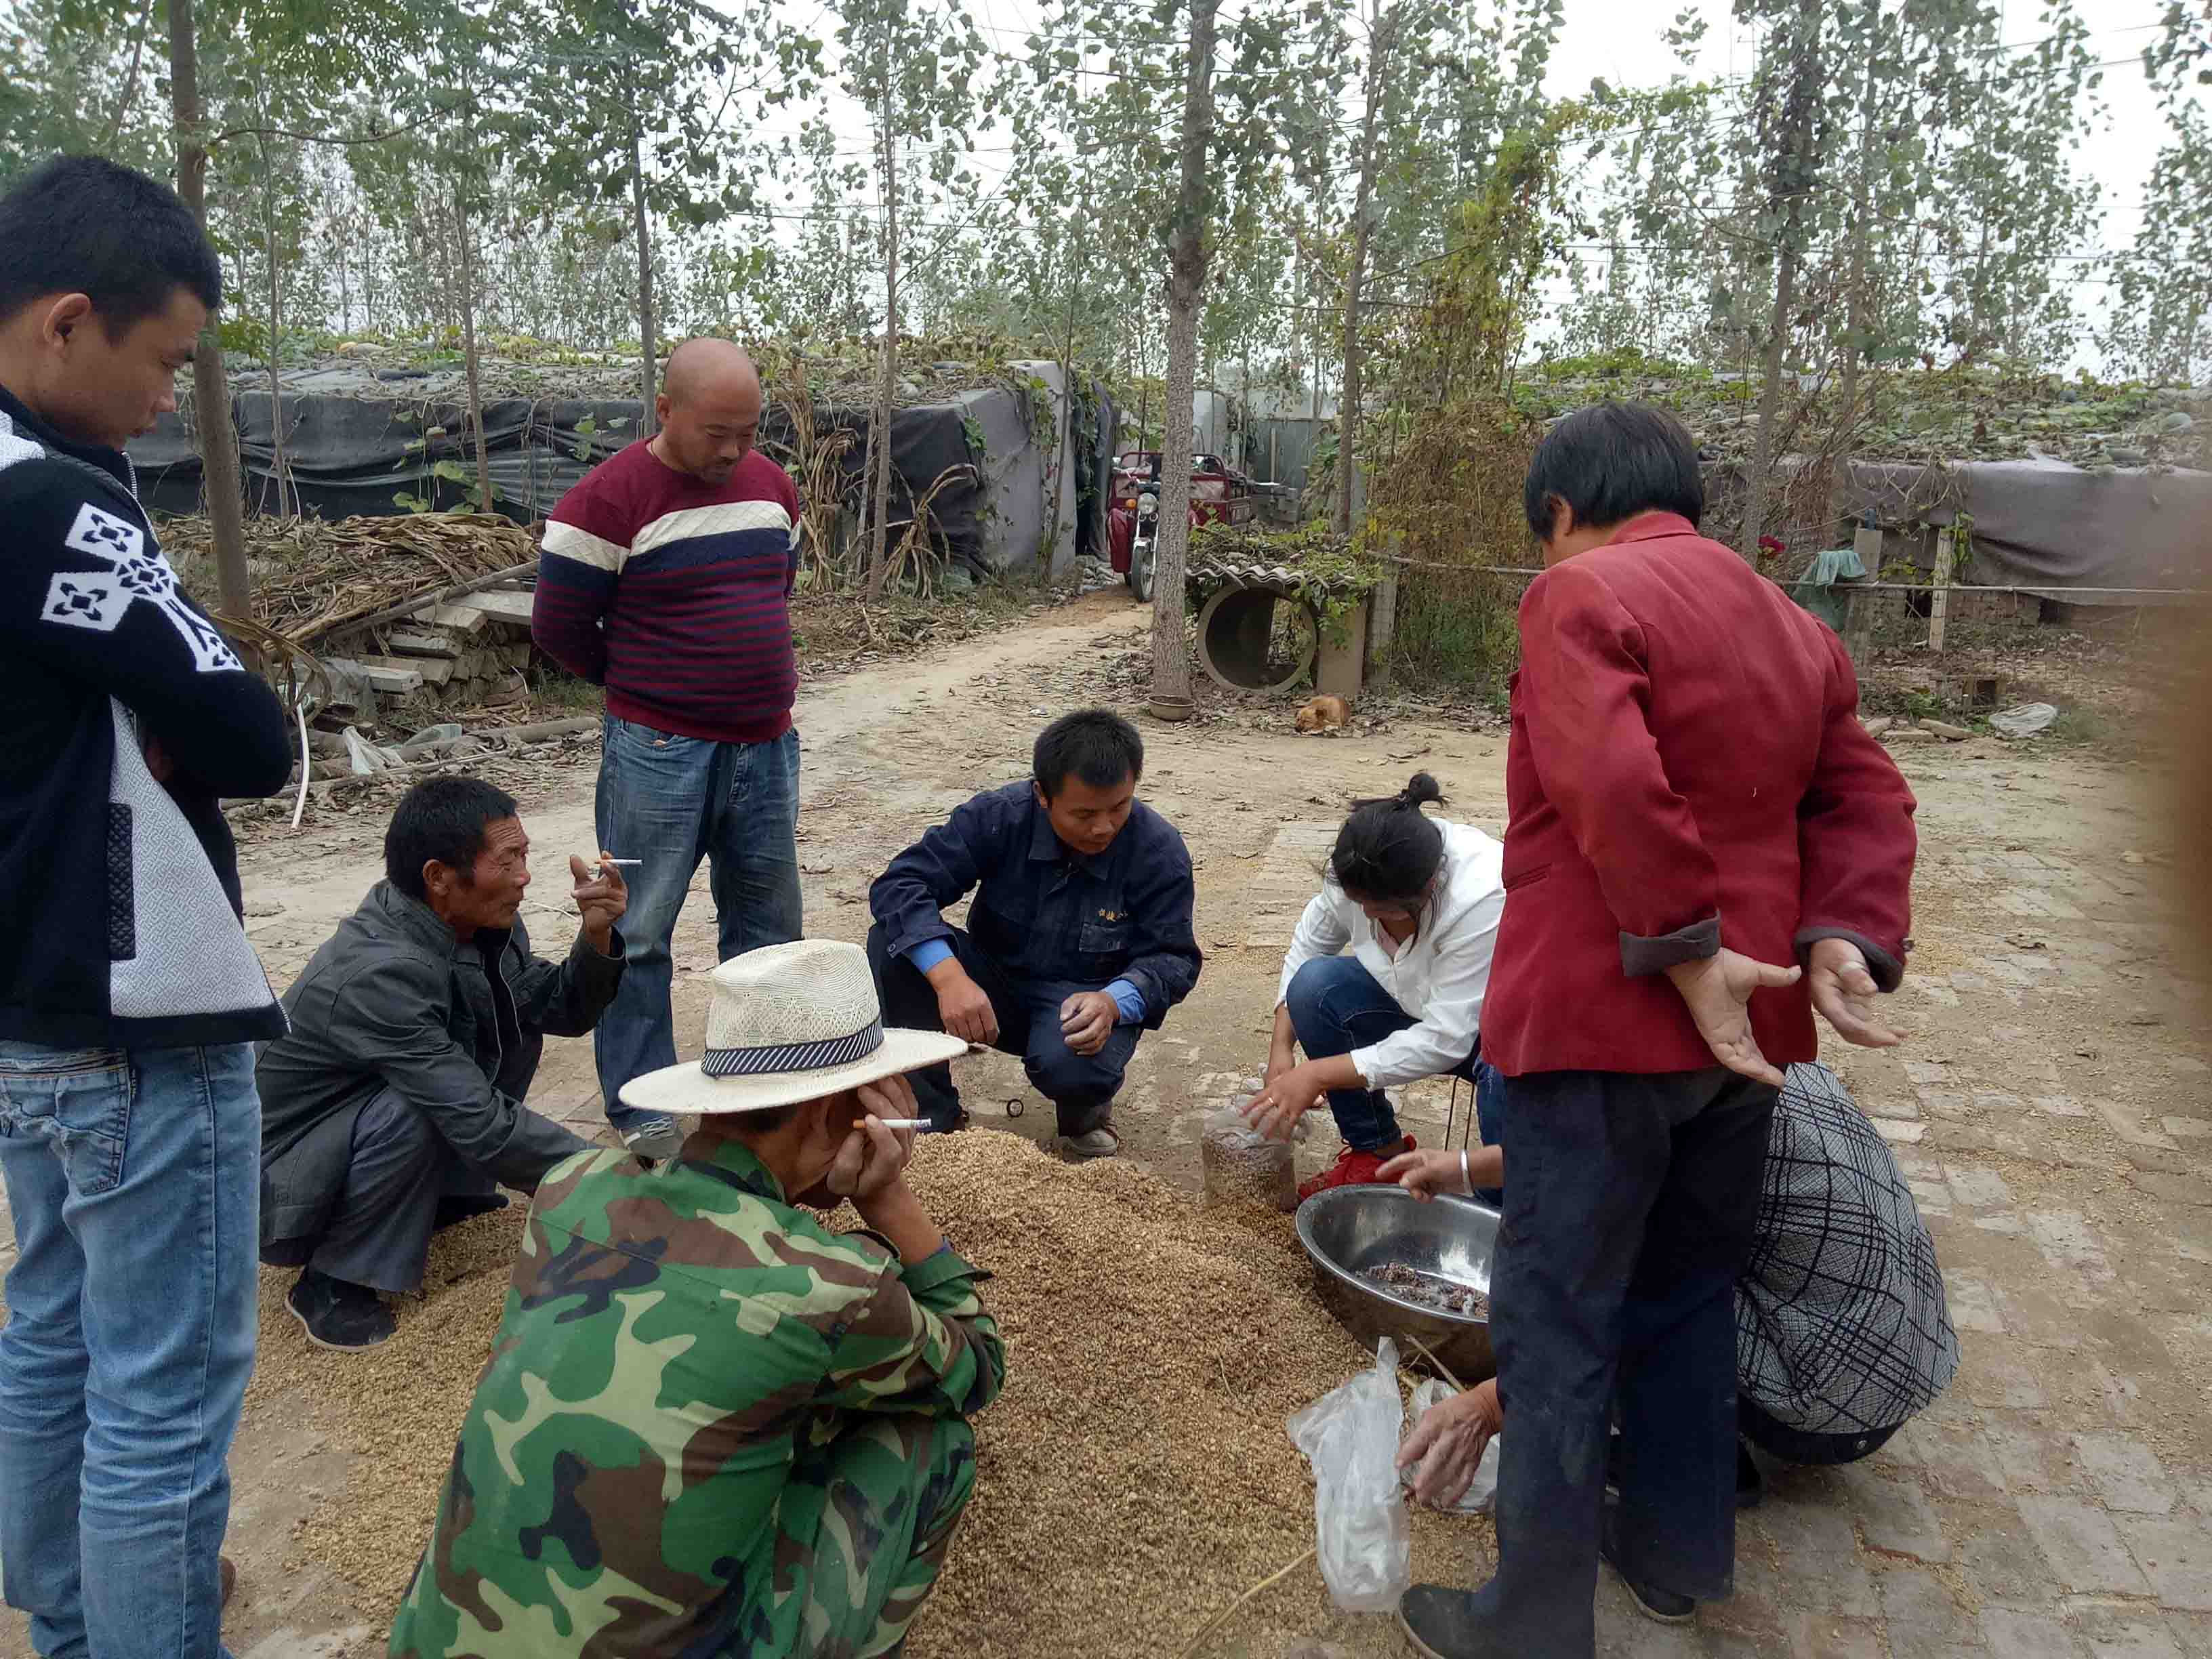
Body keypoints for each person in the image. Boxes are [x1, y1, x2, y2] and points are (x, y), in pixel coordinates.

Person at [1395, 403, 1919, 1659]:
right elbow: (1863, 792)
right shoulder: (1792, 624)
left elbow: (1609, 780)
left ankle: (1527, 1624)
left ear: (1563, 513)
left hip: (1603, 1022)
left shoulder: (1578, 596)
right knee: (1683, 1290)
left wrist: (1684, 948)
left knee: (1558, 1320)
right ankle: (1676, 1550)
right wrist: (1839, 931)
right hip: (1746, 1047)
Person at [388, 939, 1004, 1659]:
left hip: (434, 1643)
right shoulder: (828, 1286)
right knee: (936, 1440)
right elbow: (978, 1367)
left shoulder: (570, 1190)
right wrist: (890, 1199)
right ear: (841, 1111)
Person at [0, 156, 293, 1659]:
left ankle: (66, 1633)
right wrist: (190, 715)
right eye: (164, 362)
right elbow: (252, 735)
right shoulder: (55, 508)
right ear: (66, 323)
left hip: (24, 1018)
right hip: (134, 1013)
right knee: (162, 1399)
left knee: (52, 1339)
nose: (171, 400)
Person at [1387, 1061, 1959, 1523]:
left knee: (1645, 1296)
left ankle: (1696, 1476)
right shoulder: (1735, 1056)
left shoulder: (1697, 1140)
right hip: (1904, 1349)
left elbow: (1609, 1305)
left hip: (1834, 1410)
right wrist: (1463, 1169)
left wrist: (1489, 1404)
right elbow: (1602, 1144)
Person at [532, 337, 804, 1163]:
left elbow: (776, 586)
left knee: (768, 929)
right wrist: (651, 689)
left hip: (766, 748)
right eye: (716, 432)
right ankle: (642, 1104)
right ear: (665, 411)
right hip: (656, 755)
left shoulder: (773, 490)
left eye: (749, 433)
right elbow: (560, 630)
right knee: (639, 930)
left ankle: (762, 1085)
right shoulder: (603, 503)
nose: (733, 451)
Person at [255, 777, 628, 1351]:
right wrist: (611, 1180)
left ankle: (445, 1195)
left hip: (348, 1133)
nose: (525, 877)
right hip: (280, 1181)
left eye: (525, 856)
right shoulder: (379, 970)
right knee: (424, 1102)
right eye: (508, 862)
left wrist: (596, 938)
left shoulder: (476, 919)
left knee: (508, 1023)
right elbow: (474, 1115)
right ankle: (333, 1279)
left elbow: (555, 1007)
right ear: (438, 878)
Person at [866, 709, 1202, 1158]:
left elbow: (1174, 958)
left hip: (1082, 1005)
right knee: (893, 944)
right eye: (1083, 813)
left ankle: (1084, 1109)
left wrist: (1112, 1003)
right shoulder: (999, 818)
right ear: (1042, 795)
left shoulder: (1158, 851)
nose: (1103, 827)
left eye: (1119, 807)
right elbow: (902, 886)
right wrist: (949, 977)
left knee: (1073, 1067)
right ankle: (935, 1121)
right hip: (991, 988)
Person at [1242, 772, 1505, 1199]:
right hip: (1417, 1005)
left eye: (1381, 911)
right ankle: (1376, 1154)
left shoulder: (1480, 896)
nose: (1366, 917)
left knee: (1508, 1071)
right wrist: (1281, 1049)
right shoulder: (1356, 868)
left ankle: (1499, 1198)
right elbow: (1310, 946)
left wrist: (1317, 1073)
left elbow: (1446, 1039)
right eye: (1359, 905)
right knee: (1314, 988)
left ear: (1429, 889)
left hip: (1491, 1035)